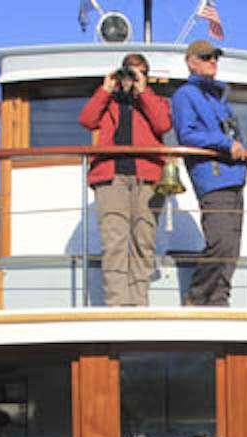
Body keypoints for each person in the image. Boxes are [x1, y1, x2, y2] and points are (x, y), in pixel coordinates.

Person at [78, 52, 172, 307]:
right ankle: (117, 304)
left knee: (144, 240)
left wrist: (143, 91)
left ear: (146, 75)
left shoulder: (156, 101)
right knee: (114, 241)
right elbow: (87, 120)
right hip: (111, 177)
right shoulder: (108, 101)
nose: (132, 76)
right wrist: (105, 89)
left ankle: (139, 302)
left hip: (147, 177)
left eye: (139, 72)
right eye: (128, 71)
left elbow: (163, 125)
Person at [171, 39, 247, 306]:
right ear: (191, 62)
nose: (212, 61)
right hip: (213, 177)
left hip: (234, 177)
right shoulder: (185, 95)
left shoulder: (217, 97)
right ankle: (196, 297)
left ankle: (219, 300)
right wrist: (227, 144)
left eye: (215, 57)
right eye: (206, 57)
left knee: (232, 248)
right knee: (221, 243)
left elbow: (229, 131)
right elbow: (187, 134)